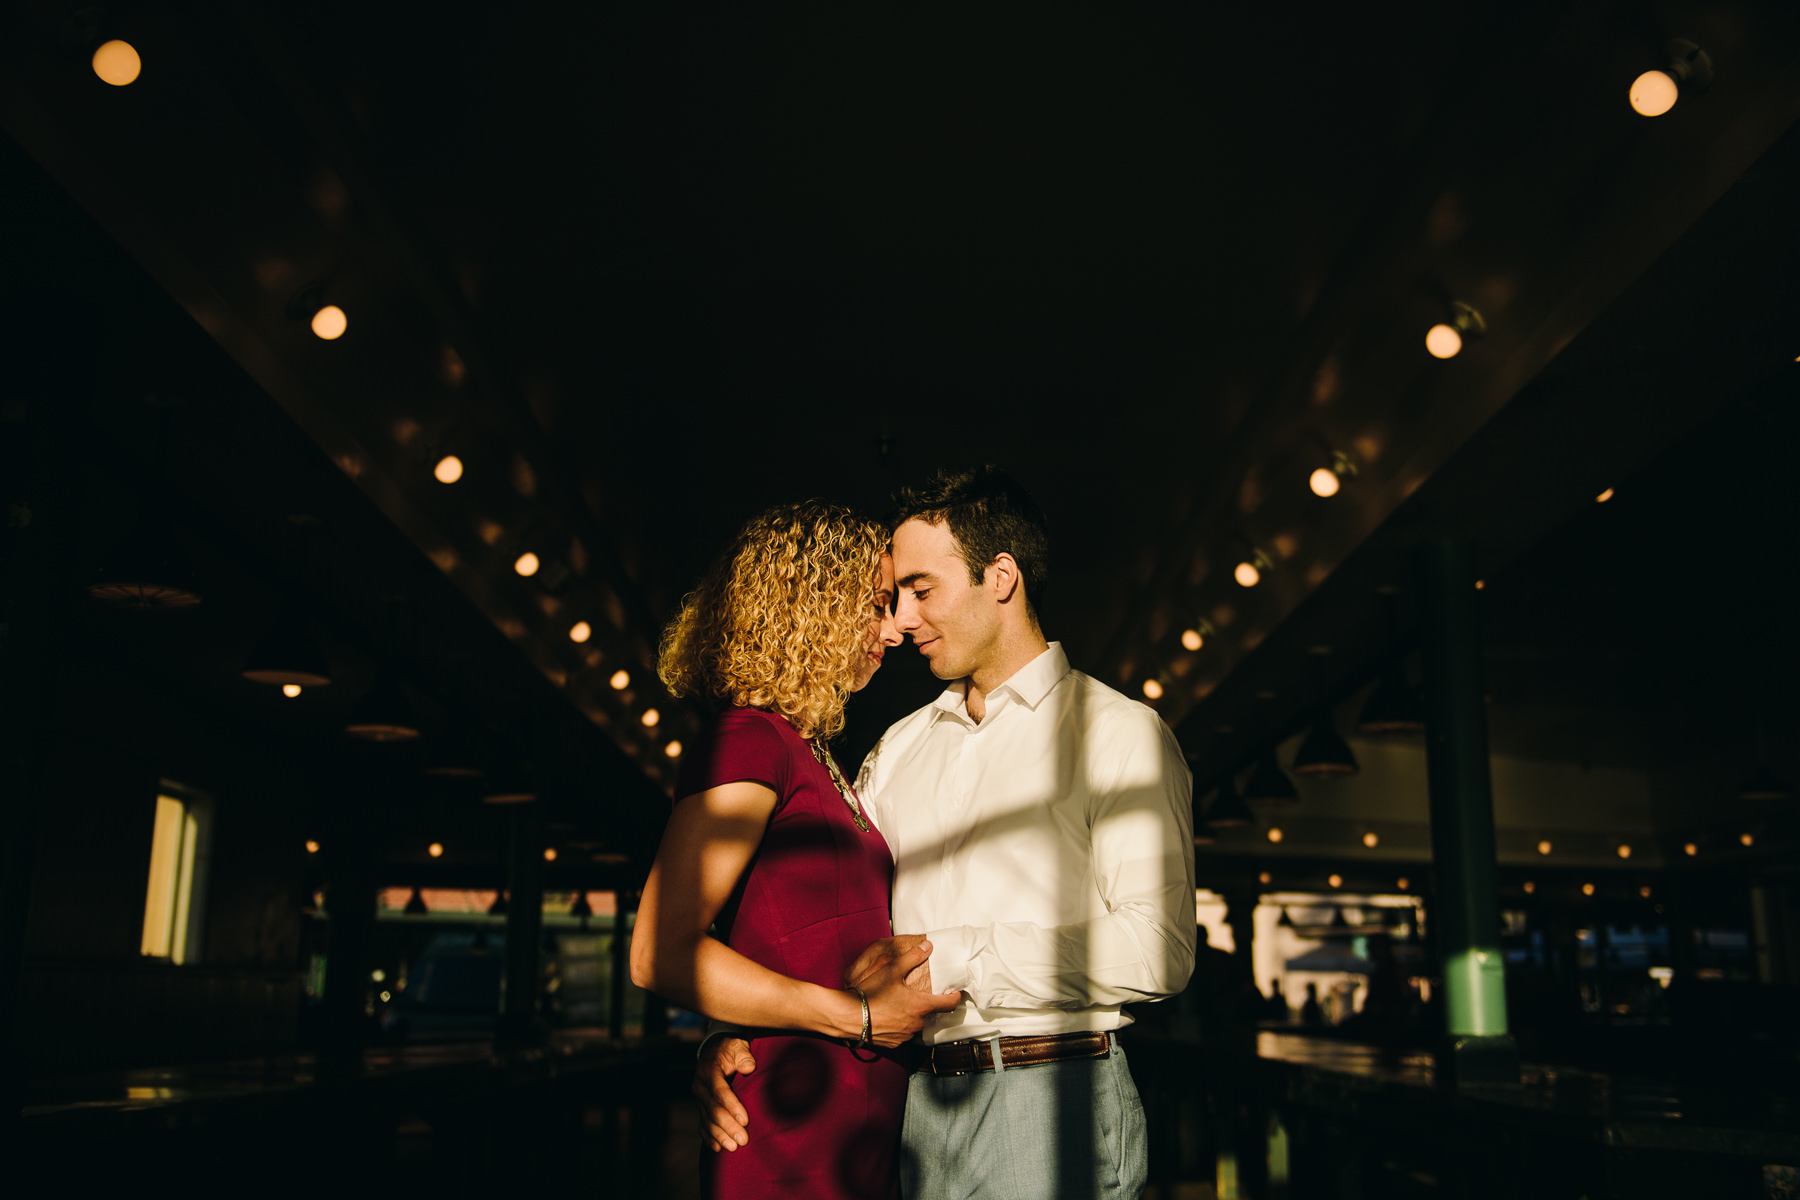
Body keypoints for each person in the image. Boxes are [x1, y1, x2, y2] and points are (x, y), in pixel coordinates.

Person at [698, 468, 1197, 1200]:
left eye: (922, 590)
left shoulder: (1120, 735)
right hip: (907, 1107)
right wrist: (729, 1036)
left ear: (1000, 578)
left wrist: (956, 959)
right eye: (896, 594)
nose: (901, 619)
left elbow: (1161, 950)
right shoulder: (898, 747)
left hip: (1049, 1092)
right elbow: (824, 919)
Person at [630, 502, 962, 1200]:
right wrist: (862, 1019)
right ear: (813, 606)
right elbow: (657, 950)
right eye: (875, 605)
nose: (896, 629)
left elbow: (776, 939)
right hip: (792, 1132)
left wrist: (721, 1034)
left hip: (852, 1122)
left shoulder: (805, 750)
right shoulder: (750, 739)